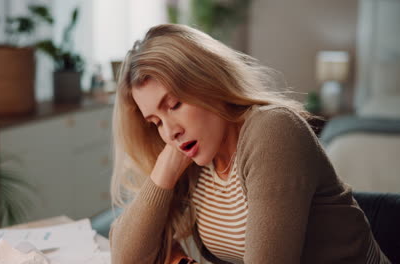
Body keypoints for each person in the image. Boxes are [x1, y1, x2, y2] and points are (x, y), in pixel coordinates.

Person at [108, 24, 390, 264]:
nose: (170, 132)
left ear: (209, 81)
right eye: (155, 122)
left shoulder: (273, 130)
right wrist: (164, 172)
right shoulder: (193, 155)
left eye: (174, 104)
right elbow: (126, 257)